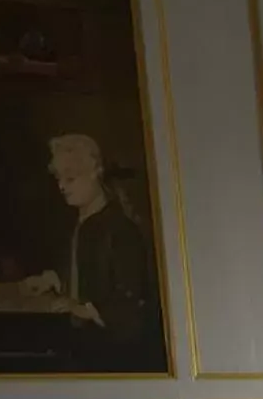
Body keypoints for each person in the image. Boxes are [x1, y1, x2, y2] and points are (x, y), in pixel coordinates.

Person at [19, 133, 163, 372]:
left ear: (96, 172)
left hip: (113, 354)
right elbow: (84, 272)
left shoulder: (120, 230)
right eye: (59, 179)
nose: (62, 186)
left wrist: (83, 309)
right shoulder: (79, 222)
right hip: (80, 344)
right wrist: (53, 279)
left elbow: (130, 302)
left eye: (71, 178)